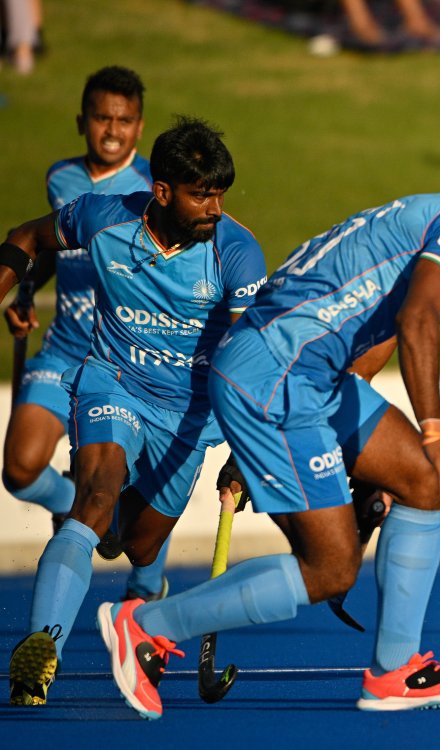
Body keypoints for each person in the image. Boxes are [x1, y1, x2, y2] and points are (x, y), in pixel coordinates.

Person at [91, 130, 440, 719]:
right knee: (332, 568)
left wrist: (361, 449)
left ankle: (395, 671)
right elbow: (419, 321)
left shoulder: (428, 216)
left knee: (420, 481)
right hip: (277, 379)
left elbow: (371, 330)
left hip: (299, 374)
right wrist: (436, 433)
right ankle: (146, 626)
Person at [3, 117, 266, 707]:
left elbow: (255, 359)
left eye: (220, 193)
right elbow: (28, 236)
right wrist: (13, 289)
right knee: (94, 496)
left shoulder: (237, 253)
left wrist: (250, 451)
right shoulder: (104, 216)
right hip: (112, 382)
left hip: (189, 416)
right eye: (202, 195)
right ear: (163, 191)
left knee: (135, 544)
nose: (215, 209)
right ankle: (40, 652)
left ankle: (121, 550)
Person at [4, 65, 173, 601]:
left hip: (125, 363)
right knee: (20, 468)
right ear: (83, 121)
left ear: (139, 126)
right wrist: (27, 292)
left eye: (123, 120)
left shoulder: (156, 188)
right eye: (102, 118)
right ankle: (72, 500)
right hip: (65, 348)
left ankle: (146, 594)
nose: (112, 130)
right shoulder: (61, 178)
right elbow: (49, 244)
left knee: (138, 494)